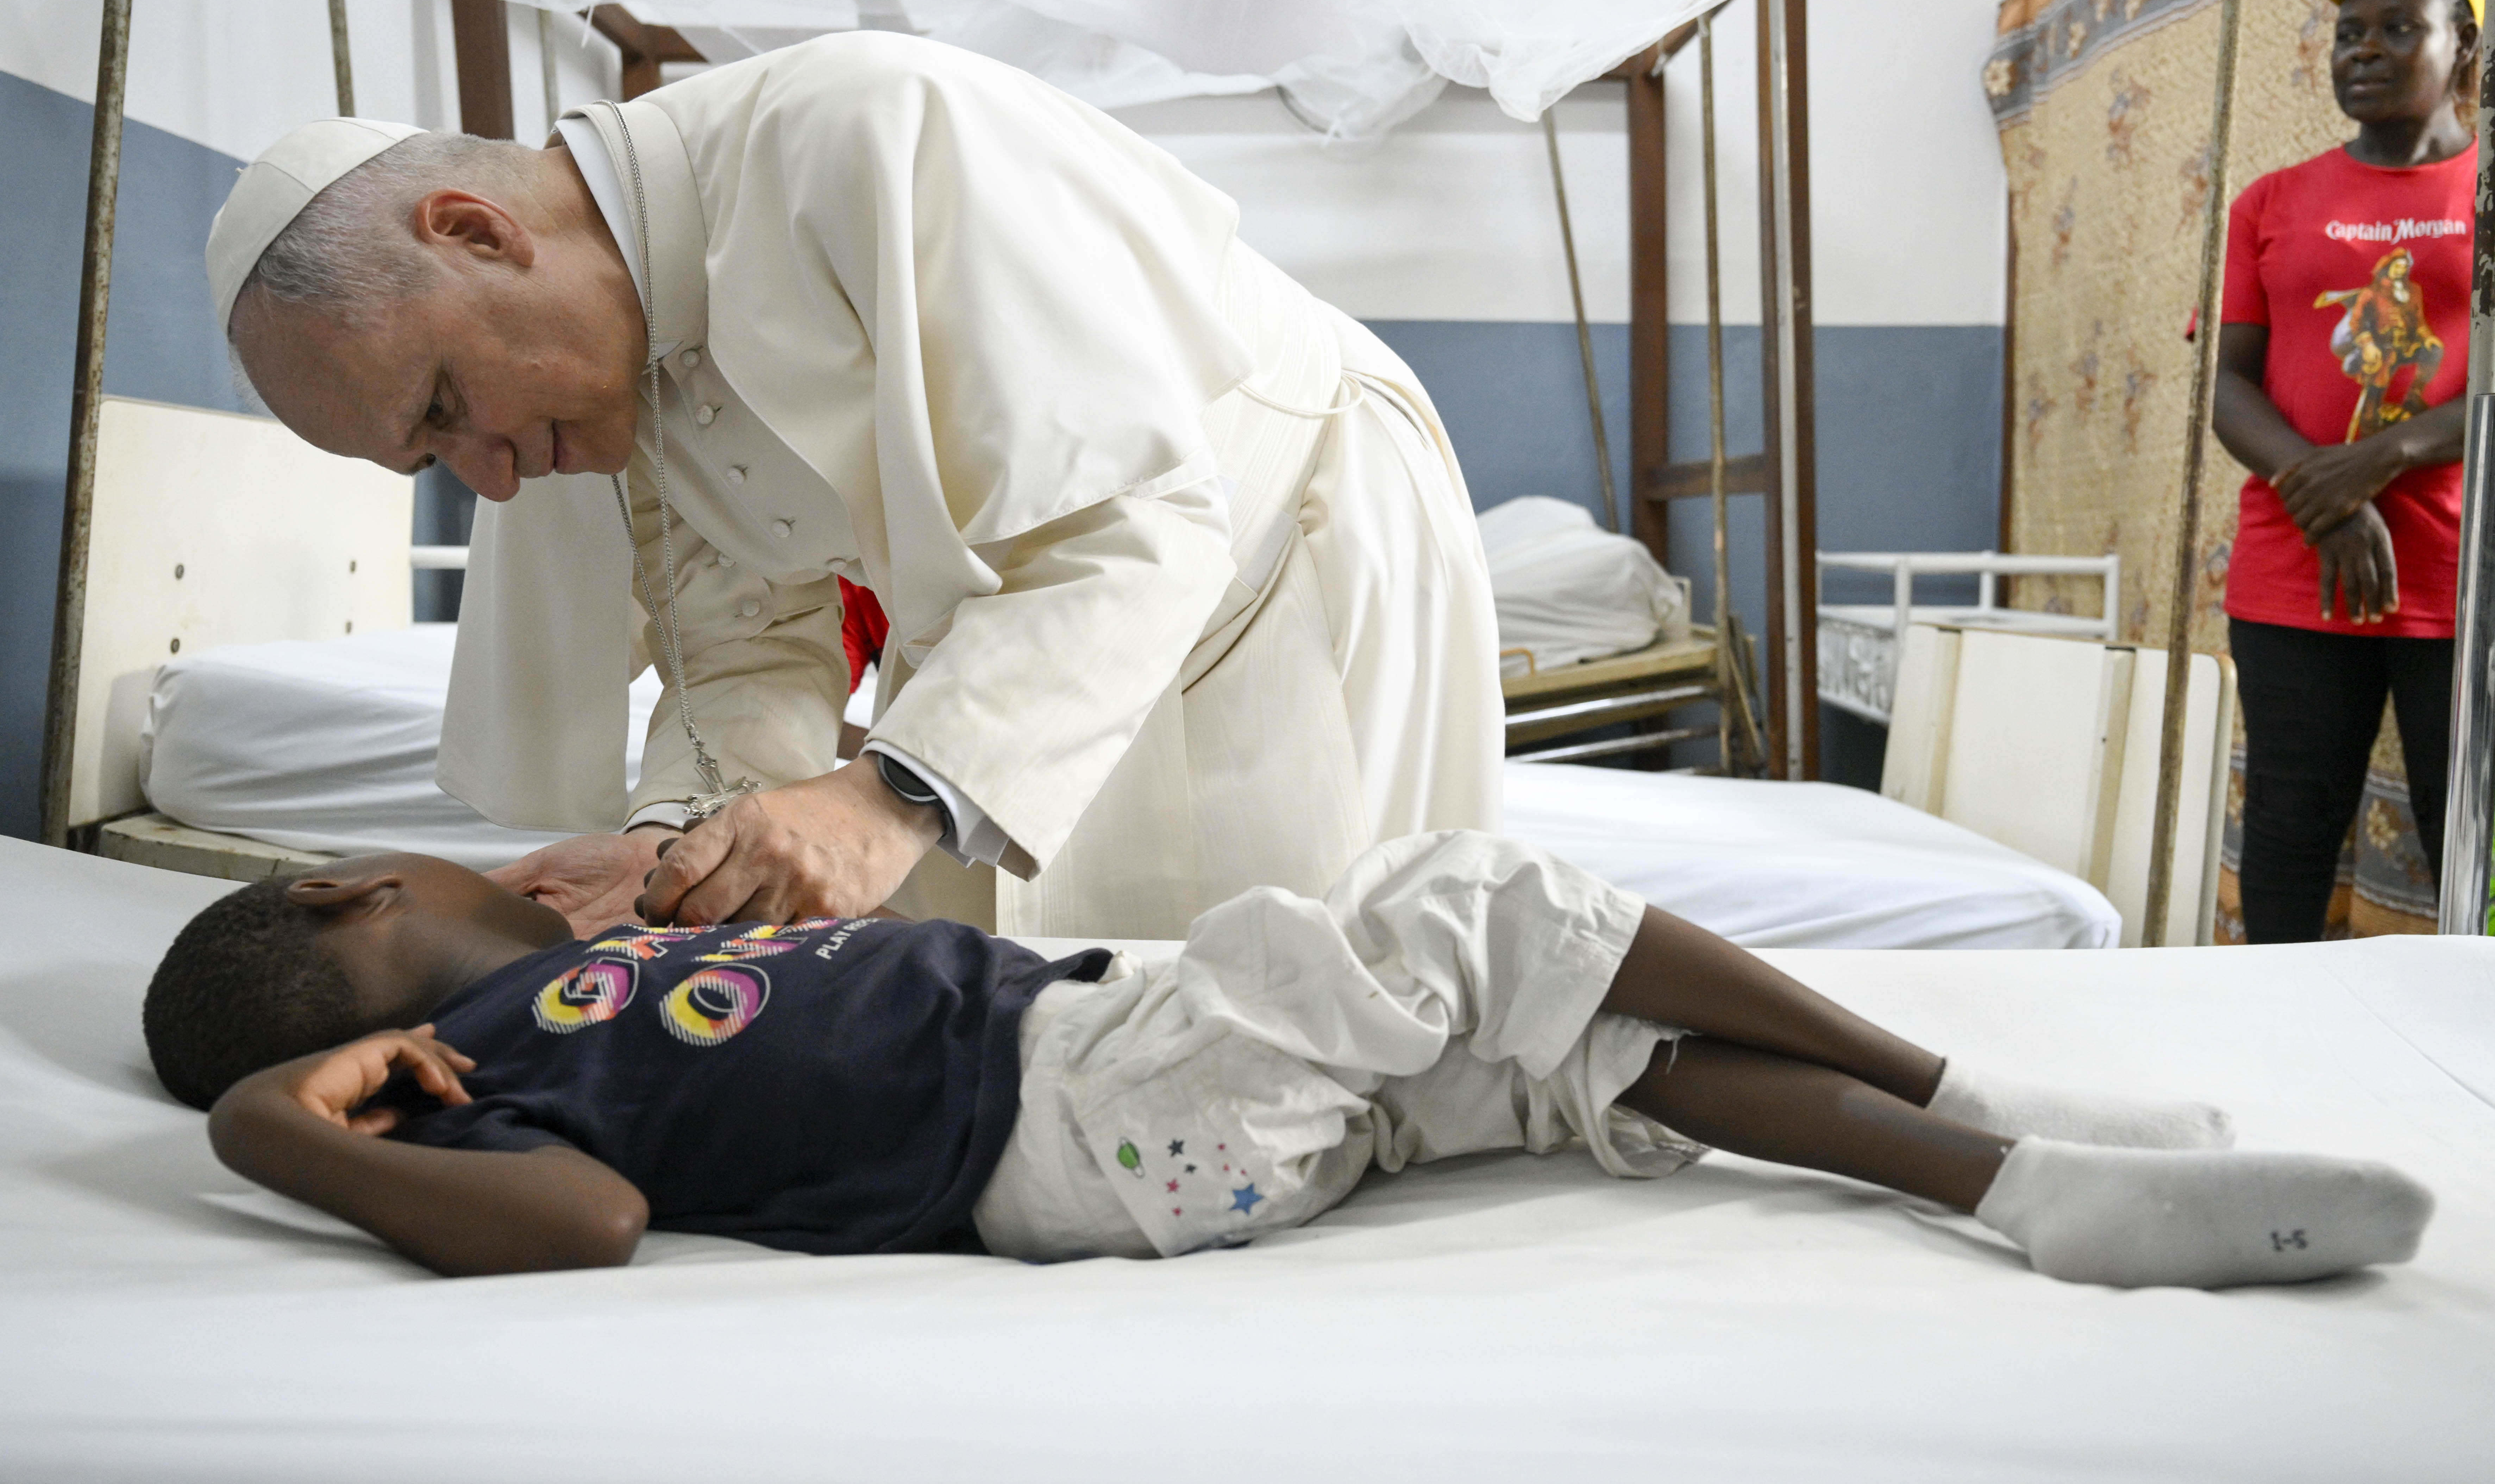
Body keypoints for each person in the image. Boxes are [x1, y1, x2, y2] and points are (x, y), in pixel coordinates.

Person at [205, 34, 1502, 943]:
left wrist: (889, 797)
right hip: (1037, 660)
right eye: (431, 460)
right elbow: (741, 644)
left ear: (478, 234)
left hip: (1291, 546)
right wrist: (678, 858)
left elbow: (1139, 524)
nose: (489, 481)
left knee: (1335, 1010)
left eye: (443, 408)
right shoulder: (610, 378)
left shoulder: (875, 129)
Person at [145, 834, 2431, 1288]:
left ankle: (2041, 1205)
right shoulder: (493, 1054)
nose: (524, 885)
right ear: (357, 902)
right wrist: (283, 1136)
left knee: (1578, 1047)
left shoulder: (547, 1018)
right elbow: (592, 1225)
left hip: (1140, 1113)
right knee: (1487, 905)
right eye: (430, 867)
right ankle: (1982, 1101)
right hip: (1085, 1112)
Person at [2212, 0, 2482, 943]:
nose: (2361, 50)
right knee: (2288, 828)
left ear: (2465, 49)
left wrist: (2377, 461)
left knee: (2462, 832)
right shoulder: (2271, 203)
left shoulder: (2487, 199)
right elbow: (2230, 390)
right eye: (2347, 32)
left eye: (2399, 29)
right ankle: (2278, 1056)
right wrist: (2318, 499)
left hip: (2460, 577)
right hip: (2296, 569)